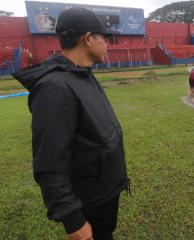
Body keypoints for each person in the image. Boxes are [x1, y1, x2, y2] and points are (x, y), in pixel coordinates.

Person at [13, 7, 129, 240]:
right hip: (88, 202)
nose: (107, 44)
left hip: (103, 192)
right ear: (87, 39)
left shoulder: (83, 74)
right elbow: (49, 162)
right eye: (104, 38)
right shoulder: (54, 87)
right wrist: (73, 220)